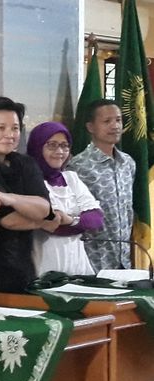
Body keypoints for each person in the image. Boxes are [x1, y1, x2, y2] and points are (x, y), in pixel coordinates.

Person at [0, 96, 52, 293]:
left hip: (25, 267)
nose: (10, 134)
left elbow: (44, 208)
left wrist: (10, 198)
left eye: (15, 128)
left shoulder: (25, 163)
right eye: (1, 128)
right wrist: (43, 221)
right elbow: (9, 220)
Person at [66, 99, 135, 271]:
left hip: (123, 260)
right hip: (94, 259)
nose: (115, 126)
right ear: (90, 127)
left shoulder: (128, 163)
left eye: (118, 120)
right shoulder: (78, 166)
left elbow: (127, 211)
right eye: (107, 121)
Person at [27, 122, 103, 275]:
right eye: (52, 145)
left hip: (78, 266)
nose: (60, 151)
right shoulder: (29, 181)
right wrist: (81, 221)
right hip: (45, 267)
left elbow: (96, 219)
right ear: (37, 146)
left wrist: (69, 220)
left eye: (64, 145)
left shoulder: (71, 178)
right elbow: (53, 226)